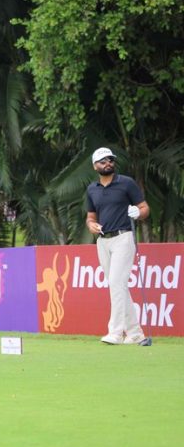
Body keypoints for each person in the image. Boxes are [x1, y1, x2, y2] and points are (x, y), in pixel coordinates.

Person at [85, 147, 150, 345]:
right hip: (102, 241)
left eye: (110, 160)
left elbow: (144, 208)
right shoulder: (92, 189)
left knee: (115, 283)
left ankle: (115, 332)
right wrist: (91, 225)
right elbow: (90, 217)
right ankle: (135, 333)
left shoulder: (126, 183)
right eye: (103, 161)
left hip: (123, 238)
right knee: (118, 285)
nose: (108, 163)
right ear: (95, 166)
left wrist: (138, 213)